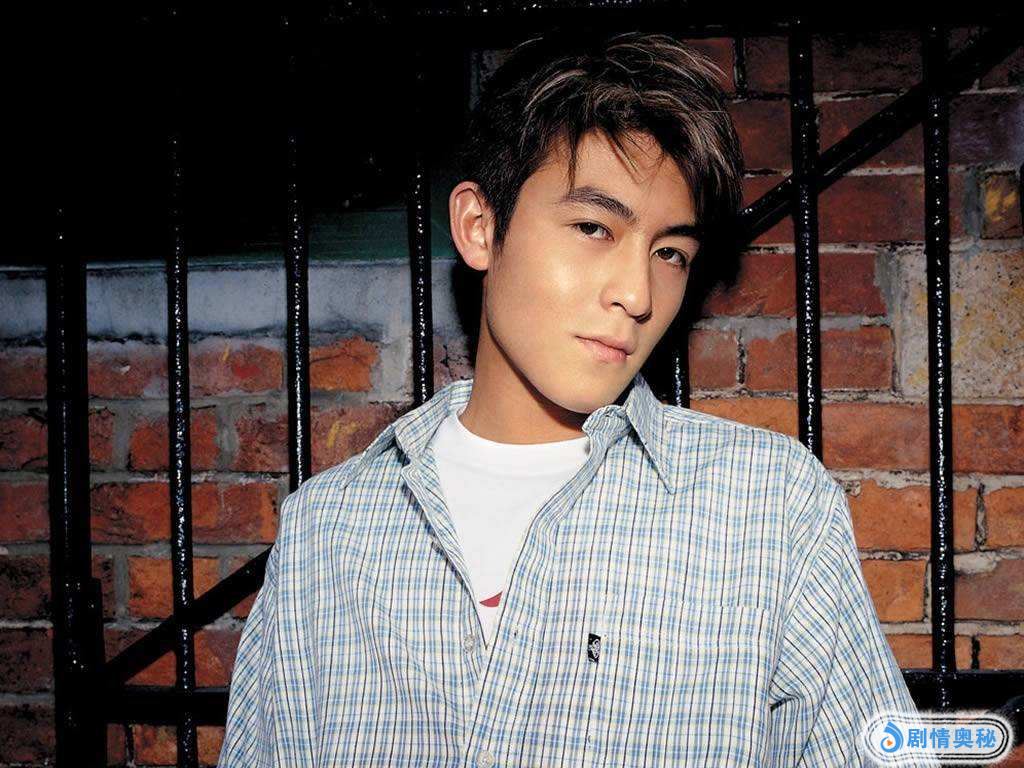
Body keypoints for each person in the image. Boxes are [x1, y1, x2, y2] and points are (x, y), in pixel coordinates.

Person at [219, 27, 932, 767]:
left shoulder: (769, 507)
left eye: (670, 253)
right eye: (594, 227)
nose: (637, 294)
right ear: (479, 228)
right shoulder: (327, 532)